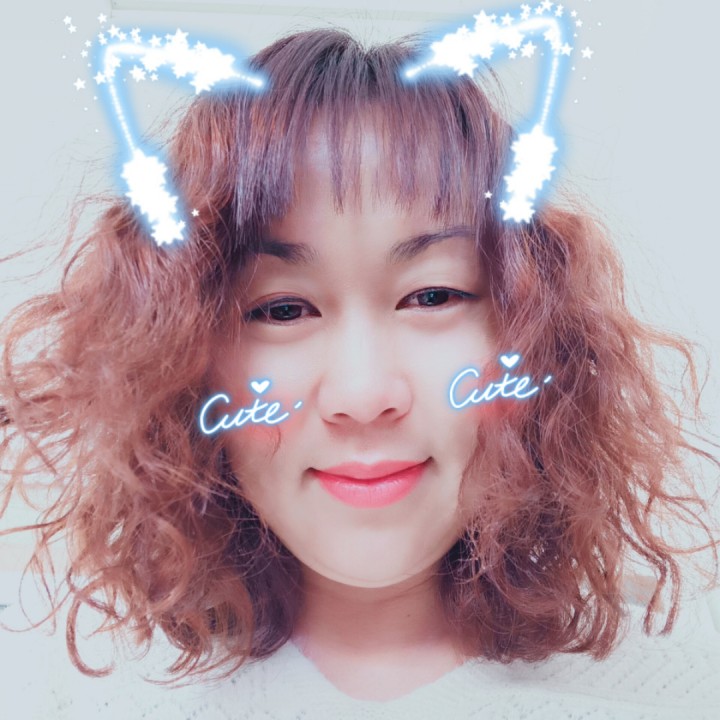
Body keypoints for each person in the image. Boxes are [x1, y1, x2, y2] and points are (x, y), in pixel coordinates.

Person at [0, 27, 718, 719]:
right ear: (179, 357)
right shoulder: (63, 694)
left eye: (433, 296)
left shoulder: (674, 690)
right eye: (282, 309)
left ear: (535, 334)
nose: (364, 395)